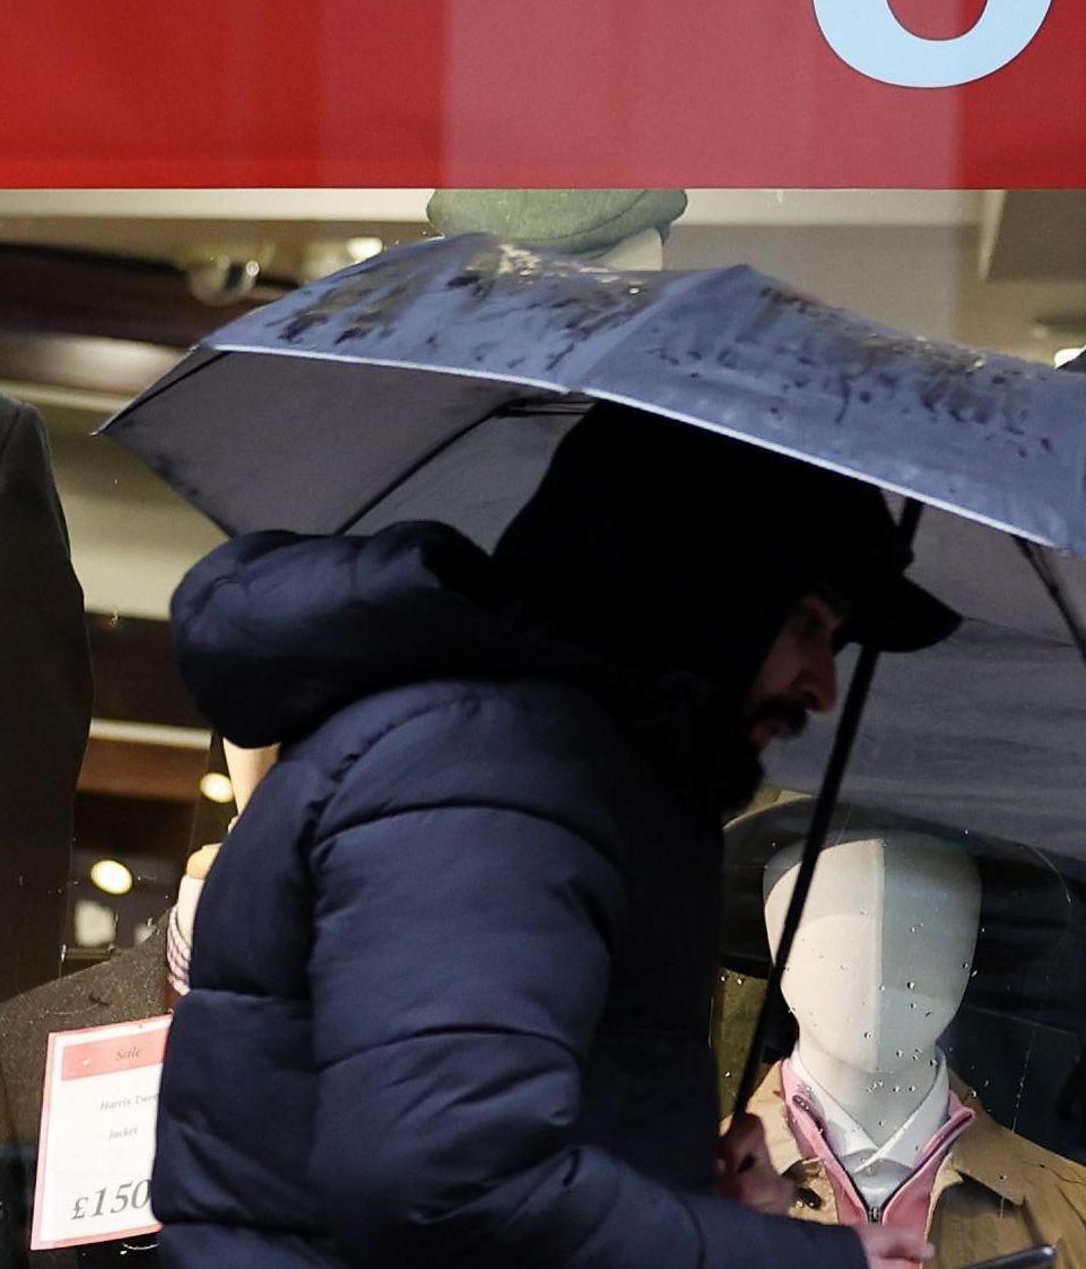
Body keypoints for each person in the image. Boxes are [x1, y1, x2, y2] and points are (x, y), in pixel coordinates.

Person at [146, 403, 961, 1269]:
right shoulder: (492, 774)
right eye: (804, 622)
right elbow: (447, 1184)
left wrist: (688, 1191)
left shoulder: (544, 768)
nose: (822, 684)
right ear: (701, 584)